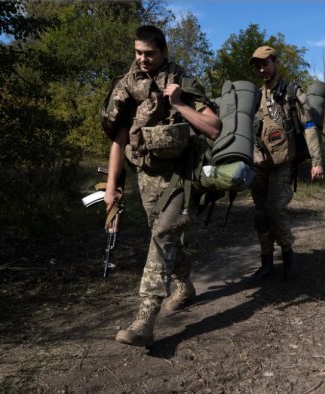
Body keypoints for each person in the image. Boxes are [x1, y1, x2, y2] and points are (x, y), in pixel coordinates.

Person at [102, 26, 221, 347]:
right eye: (138, 52)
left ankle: (145, 317)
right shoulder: (127, 86)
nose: (142, 58)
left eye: (149, 53)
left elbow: (213, 127)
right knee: (164, 234)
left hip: (181, 176)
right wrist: (112, 187)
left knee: (163, 234)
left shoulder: (183, 81)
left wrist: (180, 103)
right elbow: (119, 139)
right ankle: (184, 284)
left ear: (164, 52)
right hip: (146, 177)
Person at [248, 45, 324, 282]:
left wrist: (317, 162)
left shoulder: (292, 92)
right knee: (261, 214)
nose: (262, 69)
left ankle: (289, 256)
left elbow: (309, 127)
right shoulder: (254, 96)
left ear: (276, 63)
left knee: (275, 209)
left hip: (283, 163)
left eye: (266, 64)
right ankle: (266, 262)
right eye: (258, 66)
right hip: (260, 165)